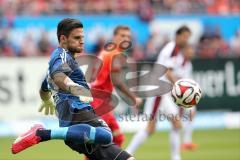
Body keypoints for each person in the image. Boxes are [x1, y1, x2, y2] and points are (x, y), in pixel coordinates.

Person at [11, 18, 135, 160]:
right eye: (77, 38)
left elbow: (44, 87)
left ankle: (44, 133)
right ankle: (43, 133)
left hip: (74, 129)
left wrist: (47, 101)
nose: (81, 41)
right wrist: (77, 89)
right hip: (79, 114)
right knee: (106, 134)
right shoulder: (62, 56)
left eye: (82, 37)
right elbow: (58, 77)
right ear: (63, 39)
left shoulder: (59, 62)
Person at [126, 25, 192, 160]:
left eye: (188, 37)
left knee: (174, 124)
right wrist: (179, 86)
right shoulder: (172, 48)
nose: (186, 39)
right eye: (185, 36)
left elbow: (173, 72)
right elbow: (167, 71)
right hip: (158, 92)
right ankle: (127, 153)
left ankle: (175, 157)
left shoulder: (177, 51)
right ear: (178, 36)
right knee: (151, 127)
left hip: (163, 92)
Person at [91, 25, 142, 148]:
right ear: (115, 37)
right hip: (99, 101)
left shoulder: (107, 51)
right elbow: (117, 81)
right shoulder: (115, 54)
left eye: (128, 37)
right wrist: (133, 97)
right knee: (101, 141)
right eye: (122, 35)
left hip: (99, 99)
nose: (126, 39)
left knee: (117, 137)